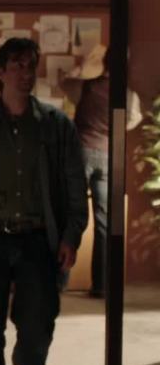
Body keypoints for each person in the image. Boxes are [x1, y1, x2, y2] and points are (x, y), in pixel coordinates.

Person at [0, 37, 88, 365]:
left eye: (31, 65)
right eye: (17, 65)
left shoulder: (56, 125)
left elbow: (75, 183)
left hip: (37, 239)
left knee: (37, 326)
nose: (26, 72)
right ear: (0, 72)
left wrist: (71, 235)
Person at [60, 44, 142, 298]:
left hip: (81, 152)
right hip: (108, 156)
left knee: (71, 214)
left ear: (104, 62)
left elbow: (64, 82)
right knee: (105, 222)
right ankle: (101, 285)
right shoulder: (129, 96)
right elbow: (132, 120)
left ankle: (59, 281)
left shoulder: (86, 87)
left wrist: (84, 64)